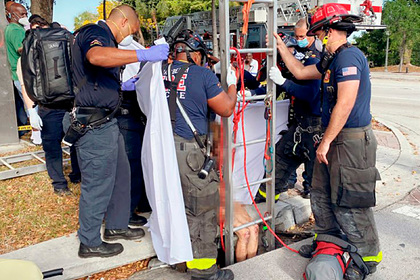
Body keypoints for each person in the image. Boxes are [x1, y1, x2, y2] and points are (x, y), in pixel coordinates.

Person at [272, 4, 381, 279]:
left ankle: (367, 258)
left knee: (351, 200)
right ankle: (328, 241)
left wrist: (325, 142)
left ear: (329, 31)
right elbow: (299, 72)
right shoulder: (332, 59)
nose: (317, 39)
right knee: (320, 193)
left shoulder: (349, 58)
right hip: (333, 138)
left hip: (351, 142)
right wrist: (280, 46)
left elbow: (345, 103)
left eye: (319, 33)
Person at [71, 4, 169, 258]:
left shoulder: (106, 38)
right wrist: (143, 55)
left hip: (108, 121)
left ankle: (115, 226)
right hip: (93, 125)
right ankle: (89, 241)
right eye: (134, 31)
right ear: (124, 22)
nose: (132, 37)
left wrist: (125, 85)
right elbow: (95, 57)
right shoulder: (96, 32)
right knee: (98, 183)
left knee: (122, 174)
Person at [162, 30, 237, 280]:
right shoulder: (202, 74)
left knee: (178, 205)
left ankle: (179, 258)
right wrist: (232, 85)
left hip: (164, 148)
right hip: (190, 152)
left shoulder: (160, 71)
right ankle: (204, 271)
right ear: (195, 54)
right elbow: (226, 108)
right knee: (202, 210)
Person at [18, 15, 81, 195]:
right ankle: (77, 174)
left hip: (48, 106)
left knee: (52, 146)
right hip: (71, 102)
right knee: (74, 141)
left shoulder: (29, 49)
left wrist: (31, 111)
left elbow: (26, 84)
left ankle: (60, 184)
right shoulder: (64, 39)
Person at [254, 34, 321, 202]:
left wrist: (284, 82)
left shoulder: (311, 62)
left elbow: (310, 94)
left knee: (318, 184)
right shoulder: (287, 68)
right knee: (274, 172)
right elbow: (272, 89)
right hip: (298, 128)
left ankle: (324, 226)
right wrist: (251, 93)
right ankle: (265, 216)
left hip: (315, 130)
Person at [285, 17, 323, 197]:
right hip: (297, 110)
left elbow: (310, 93)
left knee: (311, 153)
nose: (298, 39)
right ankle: (289, 180)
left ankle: (309, 186)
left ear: (311, 33)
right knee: (291, 149)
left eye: (301, 36)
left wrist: (284, 83)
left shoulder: (317, 54)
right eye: (296, 36)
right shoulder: (299, 51)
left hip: (313, 113)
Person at [117, 39, 150, 226]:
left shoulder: (133, 48)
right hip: (126, 114)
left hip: (136, 115)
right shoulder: (117, 50)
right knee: (131, 166)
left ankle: (142, 203)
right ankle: (127, 212)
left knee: (141, 162)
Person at [4, 2, 29, 137]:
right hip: (21, 74)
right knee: (30, 104)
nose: (25, 16)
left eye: (26, 13)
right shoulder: (15, 30)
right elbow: (20, 49)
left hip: (19, 74)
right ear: (13, 15)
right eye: (22, 14)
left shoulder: (15, 28)